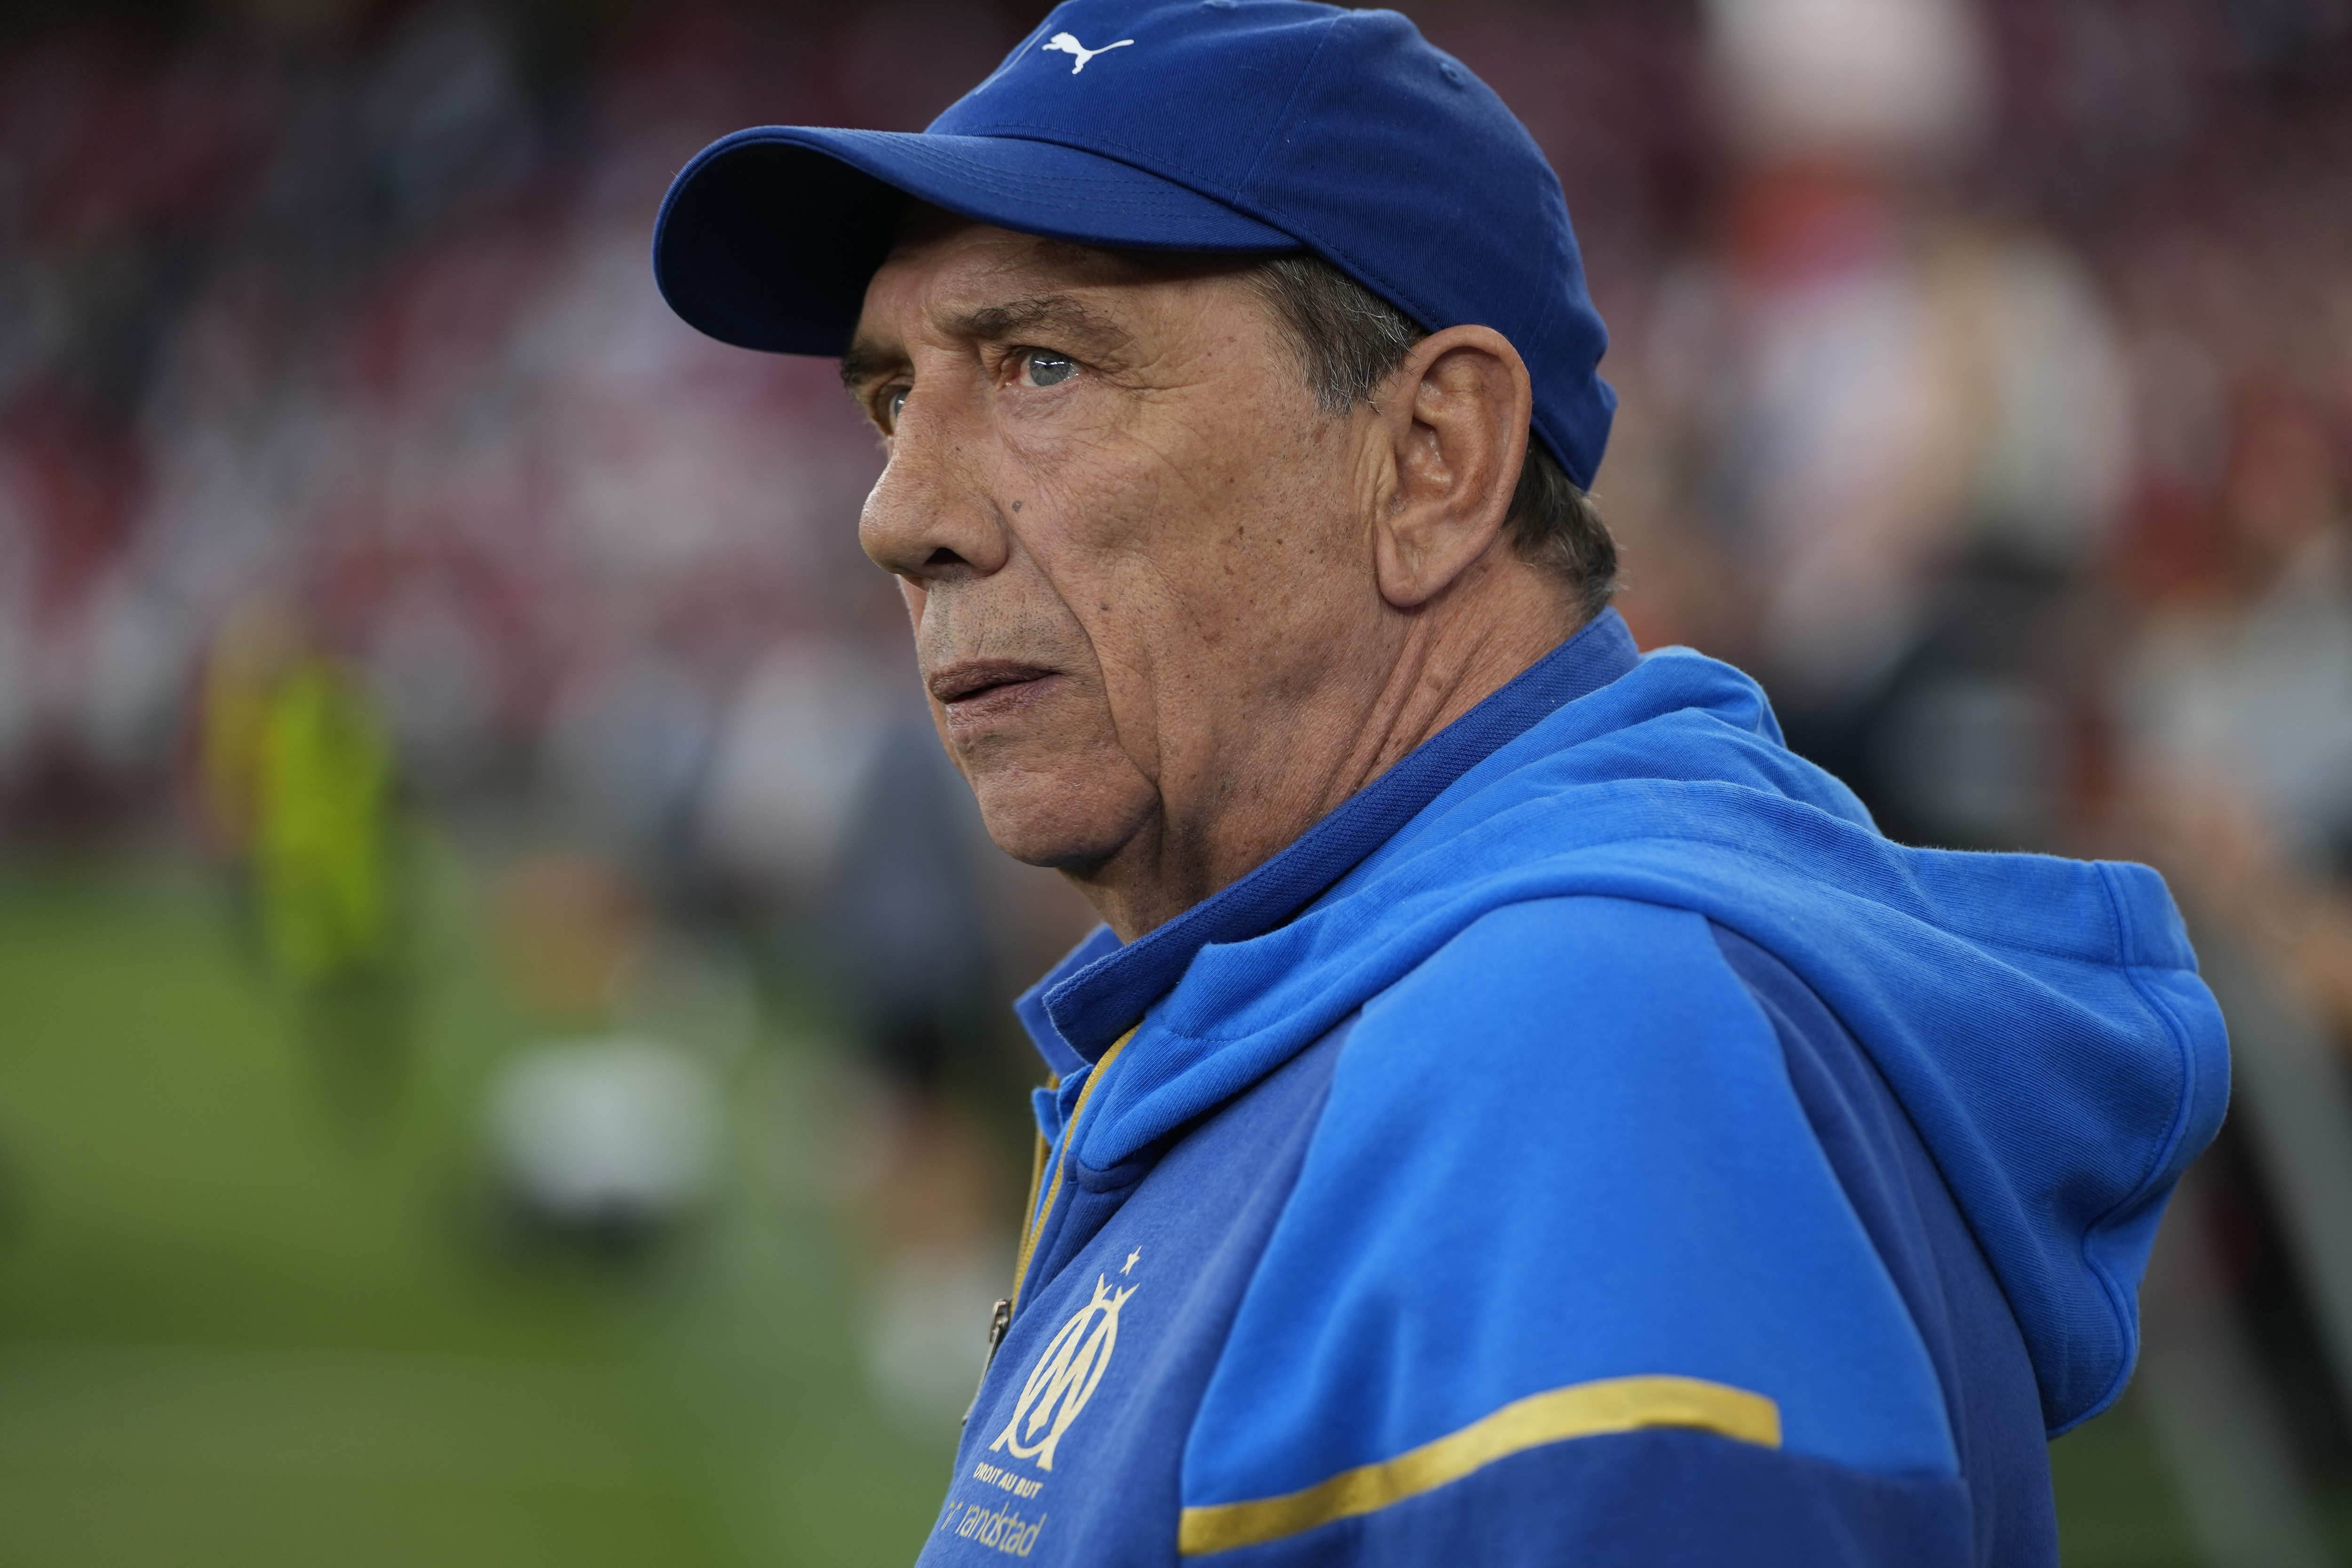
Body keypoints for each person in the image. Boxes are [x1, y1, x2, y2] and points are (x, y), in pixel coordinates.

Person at [651, 2, 2228, 1561]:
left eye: (1043, 367)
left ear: (1434, 460)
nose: (898, 513)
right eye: (889, 400)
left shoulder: (1582, 1055)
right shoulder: (1391, 1003)